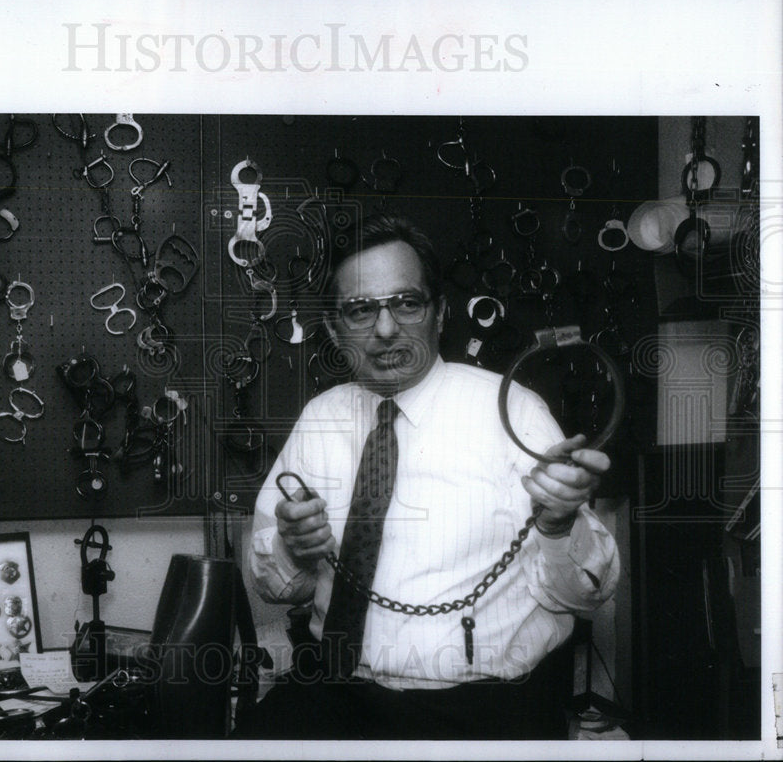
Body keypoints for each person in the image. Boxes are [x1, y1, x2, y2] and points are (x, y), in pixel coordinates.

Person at [237, 213, 619, 740]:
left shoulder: (514, 412)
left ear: (439, 314)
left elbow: (585, 596)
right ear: (333, 328)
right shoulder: (321, 417)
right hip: (334, 691)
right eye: (361, 310)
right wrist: (291, 549)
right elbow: (272, 585)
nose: (386, 329)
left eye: (406, 303)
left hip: (482, 712)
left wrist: (557, 525)